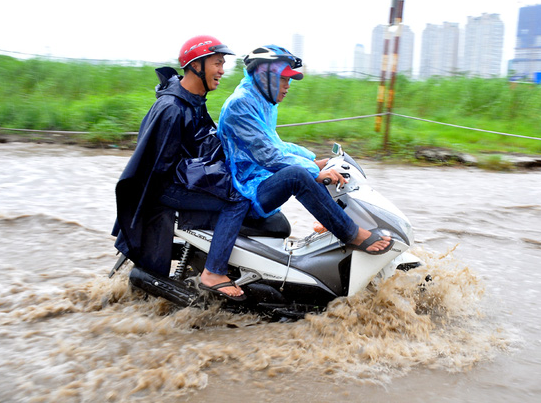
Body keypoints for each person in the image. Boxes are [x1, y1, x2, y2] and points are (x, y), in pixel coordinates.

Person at [217, 45, 393, 255]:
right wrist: (314, 171)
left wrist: (314, 160)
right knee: (297, 176)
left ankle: (332, 219)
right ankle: (351, 233)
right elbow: (269, 156)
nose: (288, 85)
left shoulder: (259, 102)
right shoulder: (241, 105)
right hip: (244, 190)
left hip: (258, 181)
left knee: (305, 171)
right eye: (283, 79)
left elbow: (277, 145)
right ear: (266, 77)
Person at [112, 35, 249, 301]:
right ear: (196, 64)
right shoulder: (171, 108)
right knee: (238, 198)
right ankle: (215, 272)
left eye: (223, 64)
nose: (222, 70)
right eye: (217, 63)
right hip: (164, 189)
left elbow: (205, 144)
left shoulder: (193, 101)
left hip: (177, 182)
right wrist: (214, 182)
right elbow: (158, 168)